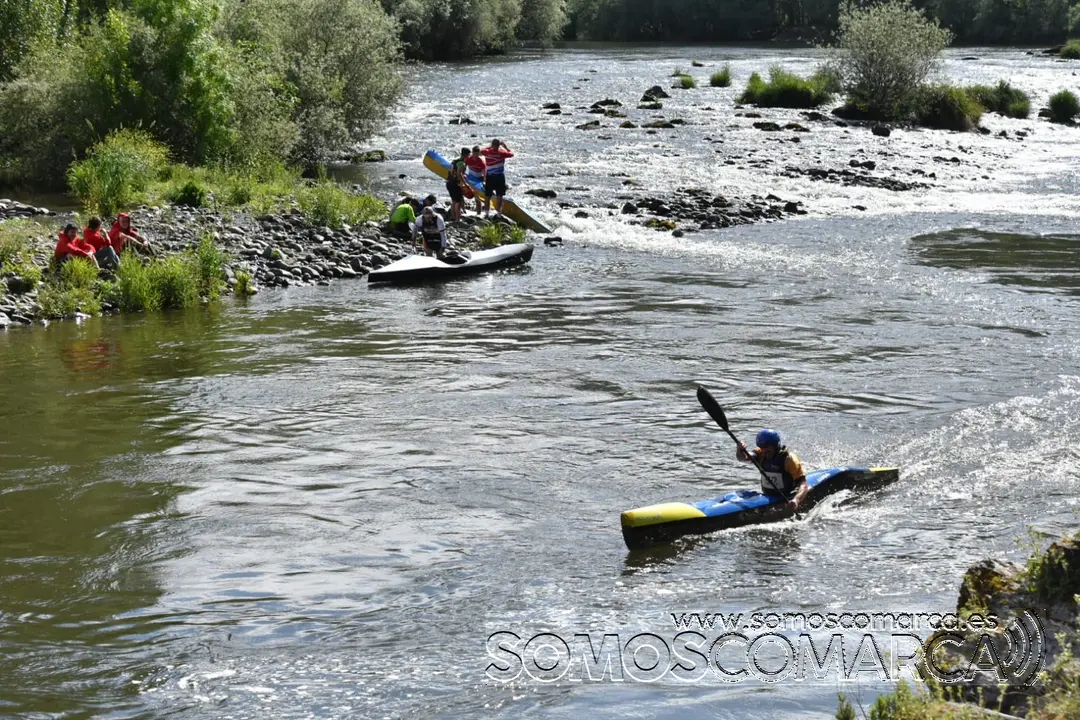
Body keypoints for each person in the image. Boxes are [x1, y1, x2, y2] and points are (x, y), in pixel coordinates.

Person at [736, 428, 809, 511]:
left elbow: (803, 484)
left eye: (767, 447)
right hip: (768, 496)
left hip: (788, 496)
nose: (764, 450)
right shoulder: (760, 453)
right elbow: (743, 458)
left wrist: (796, 500)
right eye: (761, 447)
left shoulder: (789, 459)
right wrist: (739, 449)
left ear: (775, 445)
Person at [481, 139, 514, 217]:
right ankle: (498, 213)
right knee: (499, 195)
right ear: (499, 146)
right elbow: (511, 153)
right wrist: (505, 146)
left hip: (490, 176)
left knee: (488, 196)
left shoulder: (487, 152)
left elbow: (481, 150)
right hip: (499, 177)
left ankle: (487, 213)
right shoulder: (502, 153)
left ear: (492, 145)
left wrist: (490, 146)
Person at [446, 148, 469, 221]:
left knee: (454, 201)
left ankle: (453, 216)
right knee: (458, 202)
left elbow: (451, 171)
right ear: (466, 155)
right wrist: (465, 184)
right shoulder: (461, 163)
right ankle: (457, 219)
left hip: (449, 182)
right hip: (455, 184)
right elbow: (459, 174)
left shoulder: (454, 161)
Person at [464, 146, 487, 214]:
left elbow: (484, 174)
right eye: (475, 154)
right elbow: (463, 167)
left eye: (477, 154)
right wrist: (464, 174)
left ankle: (480, 213)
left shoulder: (481, 162)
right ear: (472, 153)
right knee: (475, 195)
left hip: (479, 178)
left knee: (478, 196)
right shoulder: (468, 159)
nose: (476, 156)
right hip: (471, 177)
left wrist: (485, 181)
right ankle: (477, 213)